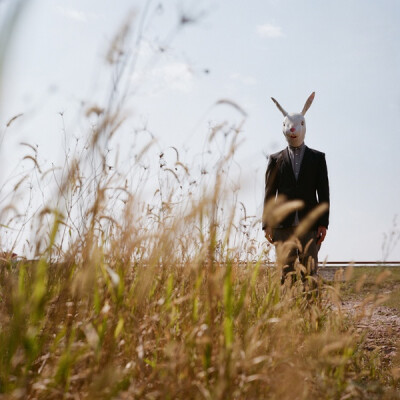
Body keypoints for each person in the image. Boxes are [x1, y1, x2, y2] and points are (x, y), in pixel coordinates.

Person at [262, 92, 329, 282]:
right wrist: (267, 223)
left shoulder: (318, 159)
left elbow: (324, 193)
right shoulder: (275, 160)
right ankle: (286, 311)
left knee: (310, 275)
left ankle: (310, 312)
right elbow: (269, 193)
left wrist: (323, 222)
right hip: (282, 227)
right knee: (285, 275)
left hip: (310, 225)